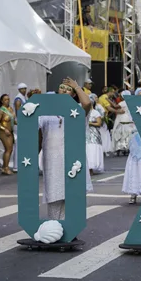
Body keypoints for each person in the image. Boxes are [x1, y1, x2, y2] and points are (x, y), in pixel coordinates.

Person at [39, 78, 92, 220]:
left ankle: (70, 230)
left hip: (73, 161)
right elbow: (38, 137)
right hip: (52, 161)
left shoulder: (78, 112)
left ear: (74, 94)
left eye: (69, 89)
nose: (64, 90)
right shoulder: (45, 114)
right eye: (62, 87)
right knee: (54, 195)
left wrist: (76, 86)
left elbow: (87, 103)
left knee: (73, 196)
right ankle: (55, 227)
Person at [0, 93, 15, 175]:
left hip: (10, 131)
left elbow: (13, 120)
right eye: (5, 100)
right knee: (8, 149)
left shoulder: (10, 109)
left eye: (8, 99)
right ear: (2, 101)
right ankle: (5, 167)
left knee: (10, 149)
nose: (7, 101)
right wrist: (4, 129)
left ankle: (5, 166)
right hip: (3, 132)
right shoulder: (1, 110)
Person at [86, 101, 105, 174]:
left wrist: (90, 123)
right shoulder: (83, 112)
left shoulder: (95, 112)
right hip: (85, 133)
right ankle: (87, 167)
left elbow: (99, 123)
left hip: (93, 134)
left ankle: (92, 167)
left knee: (92, 149)